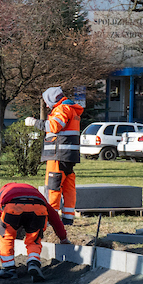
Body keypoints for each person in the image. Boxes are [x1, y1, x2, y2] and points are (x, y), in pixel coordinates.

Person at [0, 182, 70, 281]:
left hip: (12, 207)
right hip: (38, 207)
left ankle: (9, 269)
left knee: (6, 236)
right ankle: (33, 262)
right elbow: (54, 218)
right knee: (34, 240)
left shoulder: (2, 195)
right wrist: (63, 238)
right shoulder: (36, 193)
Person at [25, 86, 84, 224]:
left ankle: (51, 219)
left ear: (53, 99)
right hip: (69, 156)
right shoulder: (72, 109)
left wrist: (34, 122)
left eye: (47, 102)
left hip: (58, 155)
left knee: (53, 187)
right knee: (68, 187)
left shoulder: (62, 109)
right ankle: (68, 219)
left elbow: (54, 126)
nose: (47, 105)